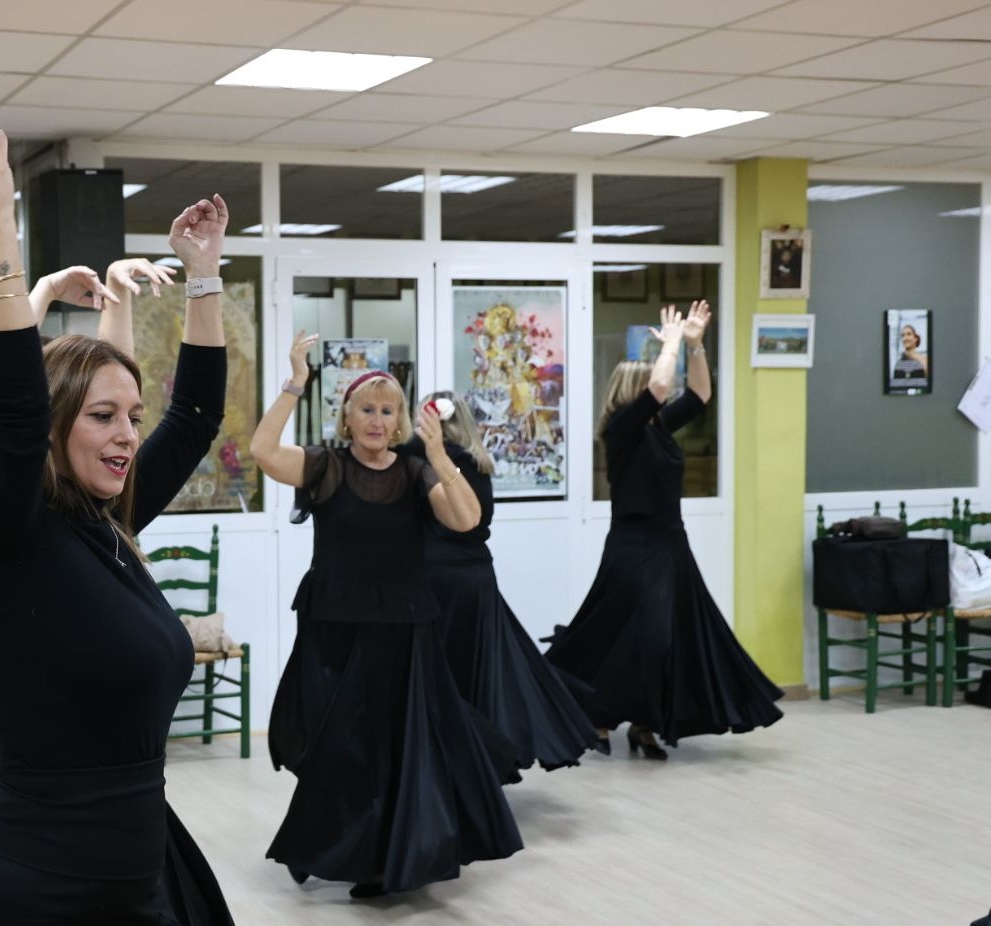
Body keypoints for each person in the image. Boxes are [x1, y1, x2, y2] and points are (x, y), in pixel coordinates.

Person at [0, 130, 232, 924]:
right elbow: (16, 416)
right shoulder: (15, 539)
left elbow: (195, 416)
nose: (130, 433)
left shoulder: (109, 526)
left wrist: (204, 274)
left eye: (133, 415)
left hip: (137, 883)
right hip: (37, 896)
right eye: (103, 417)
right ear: (58, 433)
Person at [253, 334, 522, 899]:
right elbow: (263, 452)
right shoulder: (325, 467)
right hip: (334, 629)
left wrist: (441, 455)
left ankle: (386, 860)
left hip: (403, 633)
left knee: (394, 748)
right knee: (337, 744)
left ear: (400, 419)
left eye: (388, 410)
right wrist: (293, 384)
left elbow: (467, 521)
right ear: (347, 417)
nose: (378, 420)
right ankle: (346, 842)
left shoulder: (414, 471)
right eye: (368, 410)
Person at [546, 301, 783, 759]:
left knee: (671, 637)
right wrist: (670, 341)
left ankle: (643, 722)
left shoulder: (658, 427)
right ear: (631, 392)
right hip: (634, 548)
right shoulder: (622, 430)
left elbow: (699, 395)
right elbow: (659, 385)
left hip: (671, 545)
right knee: (633, 635)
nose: (666, 384)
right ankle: (597, 713)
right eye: (656, 382)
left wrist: (694, 346)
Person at [402, 391, 596, 772]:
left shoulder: (424, 461)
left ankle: (448, 765)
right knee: (480, 674)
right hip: (475, 582)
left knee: (441, 675)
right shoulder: (478, 462)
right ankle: (478, 763)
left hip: (437, 582)